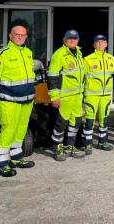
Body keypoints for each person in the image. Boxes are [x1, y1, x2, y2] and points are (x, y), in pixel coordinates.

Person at [0, 25, 36, 177]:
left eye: (23, 35)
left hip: (26, 100)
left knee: (20, 129)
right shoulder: (2, 54)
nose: (20, 37)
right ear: (10, 36)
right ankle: (2, 164)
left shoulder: (28, 53)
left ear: (26, 37)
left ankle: (16, 158)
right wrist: (1, 94)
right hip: (9, 101)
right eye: (17, 34)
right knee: (8, 130)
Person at [48, 30, 86, 161]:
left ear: (78, 40)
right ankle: (57, 147)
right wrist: (54, 97)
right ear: (64, 40)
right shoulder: (59, 54)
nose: (72, 40)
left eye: (74, 38)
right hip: (65, 97)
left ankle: (69, 146)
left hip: (77, 96)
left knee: (76, 122)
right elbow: (52, 76)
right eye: (69, 38)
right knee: (61, 123)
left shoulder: (79, 52)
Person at [82, 34, 114, 154]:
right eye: (98, 42)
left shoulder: (111, 58)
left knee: (104, 119)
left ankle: (102, 142)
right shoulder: (87, 59)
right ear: (94, 45)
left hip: (106, 95)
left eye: (103, 42)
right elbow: (82, 78)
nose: (101, 44)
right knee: (89, 120)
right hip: (91, 95)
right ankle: (88, 144)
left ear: (106, 44)